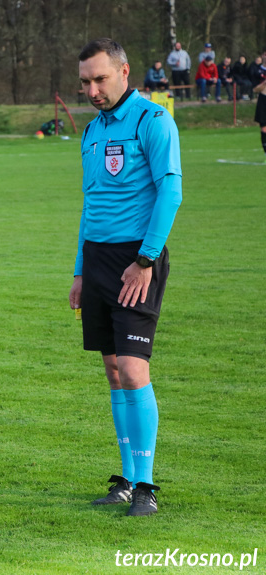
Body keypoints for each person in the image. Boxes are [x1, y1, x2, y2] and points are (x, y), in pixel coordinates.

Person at [72, 39, 182, 517]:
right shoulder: (91, 131)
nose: (92, 89)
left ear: (124, 71)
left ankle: (146, 485)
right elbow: (90, 203)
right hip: (96, 260)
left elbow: (171, 192)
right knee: (114, 370)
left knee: (135, 370)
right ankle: (125, 478)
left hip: (137, 258)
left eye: (99, 79)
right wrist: (79, 270)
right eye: (85, 82)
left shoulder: (152, 120)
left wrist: (146, 259)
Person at [253, 49, 266, 163]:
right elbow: (254, 89)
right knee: (263, 127)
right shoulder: (257, 70)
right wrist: (264, 84)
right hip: (263, 98)